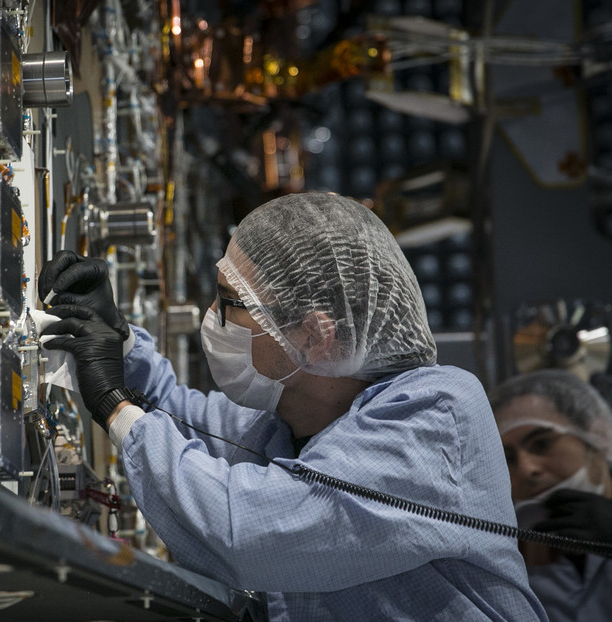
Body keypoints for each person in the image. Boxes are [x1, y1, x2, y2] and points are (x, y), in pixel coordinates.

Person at [38, 192, 545, 620]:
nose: (213, 318)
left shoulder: (438, 416)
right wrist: (119, 342)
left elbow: (245, 532)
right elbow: (184, 419)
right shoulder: (304, 407)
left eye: (229, 302)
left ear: (314, 335)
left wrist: (113, 403)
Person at [490, 369, 612, 621]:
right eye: (509, 459)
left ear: (597, 436)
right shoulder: (506, 569)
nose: (526, 469)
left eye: (542, 444)